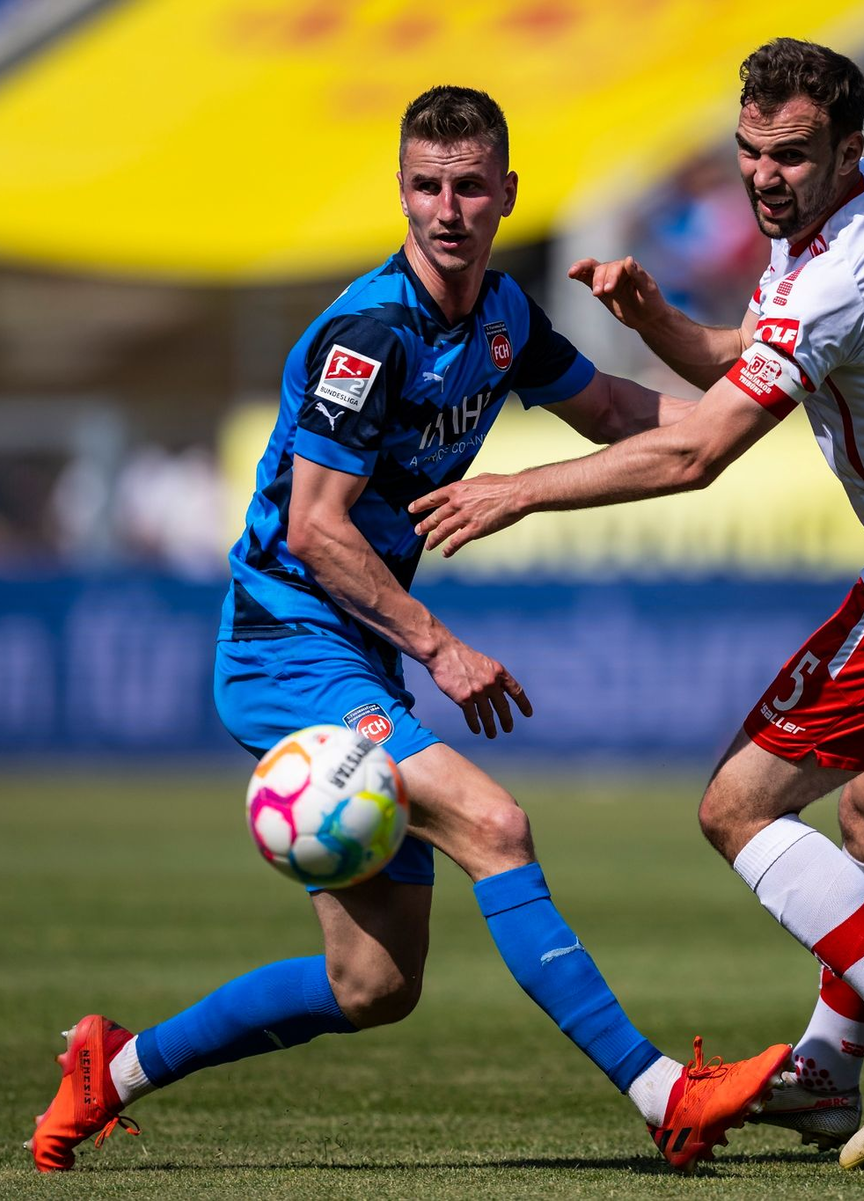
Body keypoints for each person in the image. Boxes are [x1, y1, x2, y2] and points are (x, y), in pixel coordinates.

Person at [26, 86, 793, 1177]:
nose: (447, 208)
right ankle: (667, 1095)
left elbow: (623, 418)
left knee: (374, 987)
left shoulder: (502, 319)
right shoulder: (368, 336)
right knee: (497, 825)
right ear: (402, 190)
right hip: (285, 643)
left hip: (350, 646)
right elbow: (317, 528)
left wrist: (755, 407)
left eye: (469, 186)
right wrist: (441, 644)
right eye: (427, 185)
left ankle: (116, 1067)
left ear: (504, 195)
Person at [411, 40, 864, 1170]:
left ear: (846, 150)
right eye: (750, 152)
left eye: (793, 157)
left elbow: (699, 453)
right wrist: (659, 319)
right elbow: (756, 356)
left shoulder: (837, 277)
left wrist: (517, 489)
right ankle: (826, 1068)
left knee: (736, 806)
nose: (765, 176)